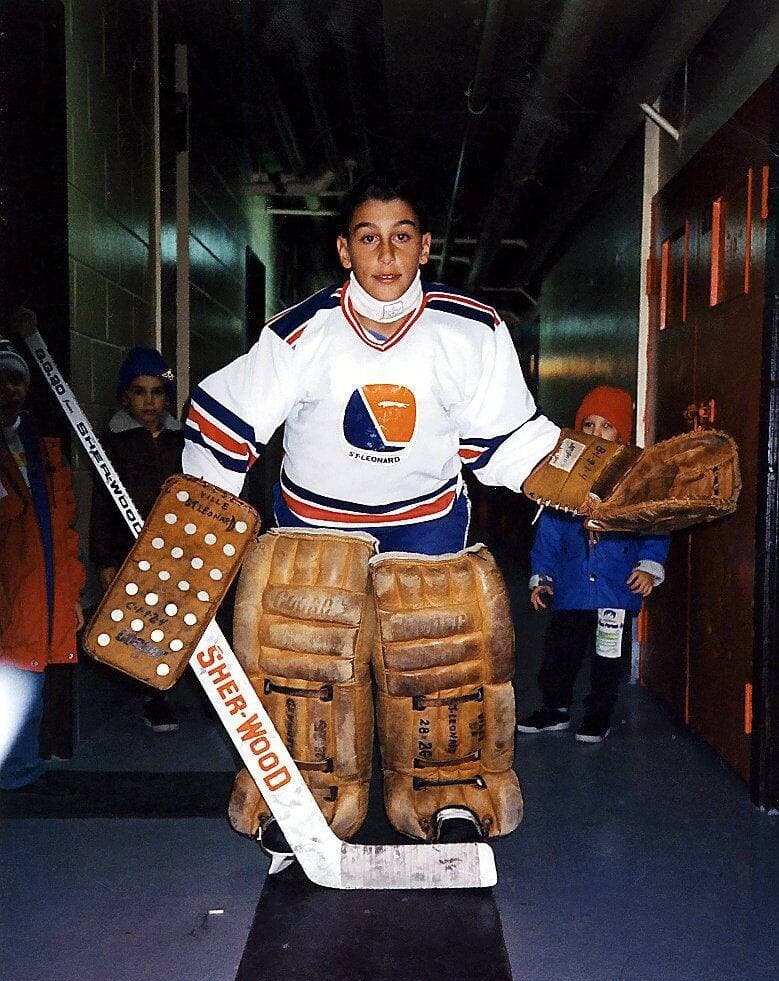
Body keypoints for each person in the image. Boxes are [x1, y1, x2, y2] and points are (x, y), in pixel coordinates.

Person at [182, 170, 561, 853]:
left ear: (424, 248)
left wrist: (587, 482)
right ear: (343, 249)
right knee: (306, 668)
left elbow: (508, 443)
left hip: (427, 523)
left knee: (441, 662)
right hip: (316, 527)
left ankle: (447, 795)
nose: (385, 255)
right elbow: (222, 422)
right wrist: (201, 532)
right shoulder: (300, 333)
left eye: (401, 237)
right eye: (368, 238)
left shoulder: (472, 329)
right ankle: (301, 799)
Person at [516, 385, 671, 744]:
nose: (597, 433)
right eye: (589, 425)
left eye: (607, 427)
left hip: (615, 587)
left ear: (621, 434)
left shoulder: (635, 479)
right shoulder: (565, 478)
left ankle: (599, 714)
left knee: (607, 657)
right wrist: (542, 576)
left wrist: (649, 566)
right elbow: (550, 533)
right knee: (559, 653)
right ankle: (555, 708)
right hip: (571, 586)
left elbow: (653, 525)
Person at [0, 337, 85, 791]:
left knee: (27, 668)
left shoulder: (44, 449)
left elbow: (64, 529)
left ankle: (20, 771)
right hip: (8, 583)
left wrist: (71, 593)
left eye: (15, 378)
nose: (8, 388)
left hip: (40, 584)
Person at [89, 346, 183, 732]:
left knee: (176, 619)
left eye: (157, 392)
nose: (149, 401)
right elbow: (102, 504)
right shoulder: (114, 440)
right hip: (132, 549)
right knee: (143, 624)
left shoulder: (180, 439)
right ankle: (153, 696)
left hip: (177, 549)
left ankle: (173, 685)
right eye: (140, 392)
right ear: (126, 395)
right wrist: (106, 561)